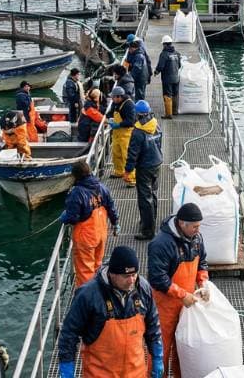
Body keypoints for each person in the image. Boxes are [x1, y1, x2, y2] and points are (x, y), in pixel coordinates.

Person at [57, 245, 164, 378]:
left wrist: (157, 357)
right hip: (100, 374)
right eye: (126, 276)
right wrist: (67, 367)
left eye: (134, 274)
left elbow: (153, 325)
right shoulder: (88, 295)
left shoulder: (143, 288)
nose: (131, 280)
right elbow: (69, 333)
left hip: (136, 372)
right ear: (112, 274)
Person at [148, 203, 210, 378]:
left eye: (199, 226)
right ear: (182, 224)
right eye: (195, 226)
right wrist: (182, 295)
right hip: (164, 307)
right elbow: (157, 278)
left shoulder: (197, 238)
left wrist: (203, 283)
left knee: (183, 348)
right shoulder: (161, 244)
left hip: (187, 304)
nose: (198, 230)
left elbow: (202, 262)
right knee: (161, 349)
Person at [59, 160, 120, 286]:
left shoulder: (77, 193)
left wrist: (64, 217)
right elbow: (111, 207)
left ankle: (87, 295)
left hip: (86, 237)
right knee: (98, 265)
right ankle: (99, 288)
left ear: (75, 176)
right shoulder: (102, 187)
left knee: (85, 271)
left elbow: (73, 217)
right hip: (101, 233)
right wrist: (115, 223)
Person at [125, 100, 163, 240]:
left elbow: (133, 153)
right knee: (152, 193)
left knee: (145, 198)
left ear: (138, 114)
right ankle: (151, 220)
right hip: (156, 163)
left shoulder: (138, 132)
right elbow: (159, 143)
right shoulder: (155, 124)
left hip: (145, 167)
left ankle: (148, 231)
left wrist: (128, 170)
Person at [107, 86, 137, 184]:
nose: (112, 99)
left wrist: (118, 124)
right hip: (117, 134)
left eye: (113, 97)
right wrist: (108, 118)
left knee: (127, 156)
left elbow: (131, 121)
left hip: (126, 134)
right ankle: (119, 171)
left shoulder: (129, 105)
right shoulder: (116, 103)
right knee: (116, 153)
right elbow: (111, 113)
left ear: (119, 97)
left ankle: (132, 178)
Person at [154, 35, 181, 119]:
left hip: (167, 79)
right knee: (175, 94)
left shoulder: (164, 54)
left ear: (165, 44)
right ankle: (175, 111)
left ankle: (168, 114)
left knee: (167, 95)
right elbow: (179, 65)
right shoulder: (177, 53)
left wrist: (156, 72)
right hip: (176, 78)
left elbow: (160, 66)